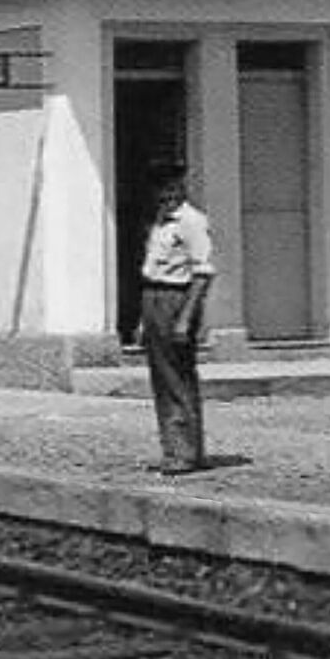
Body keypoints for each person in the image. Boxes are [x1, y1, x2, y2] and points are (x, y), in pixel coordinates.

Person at [138, 171, 216, 474]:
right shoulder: (161, 220)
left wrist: (185, 318)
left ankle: (187, 451)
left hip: (177, 297)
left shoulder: (191, 222)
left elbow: (203, 273)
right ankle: (173, 447)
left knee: (177, 376)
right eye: (161, 189)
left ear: (181, 187)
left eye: (171, 188)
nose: (166, 195)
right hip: (154, 294)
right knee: (162, 377)